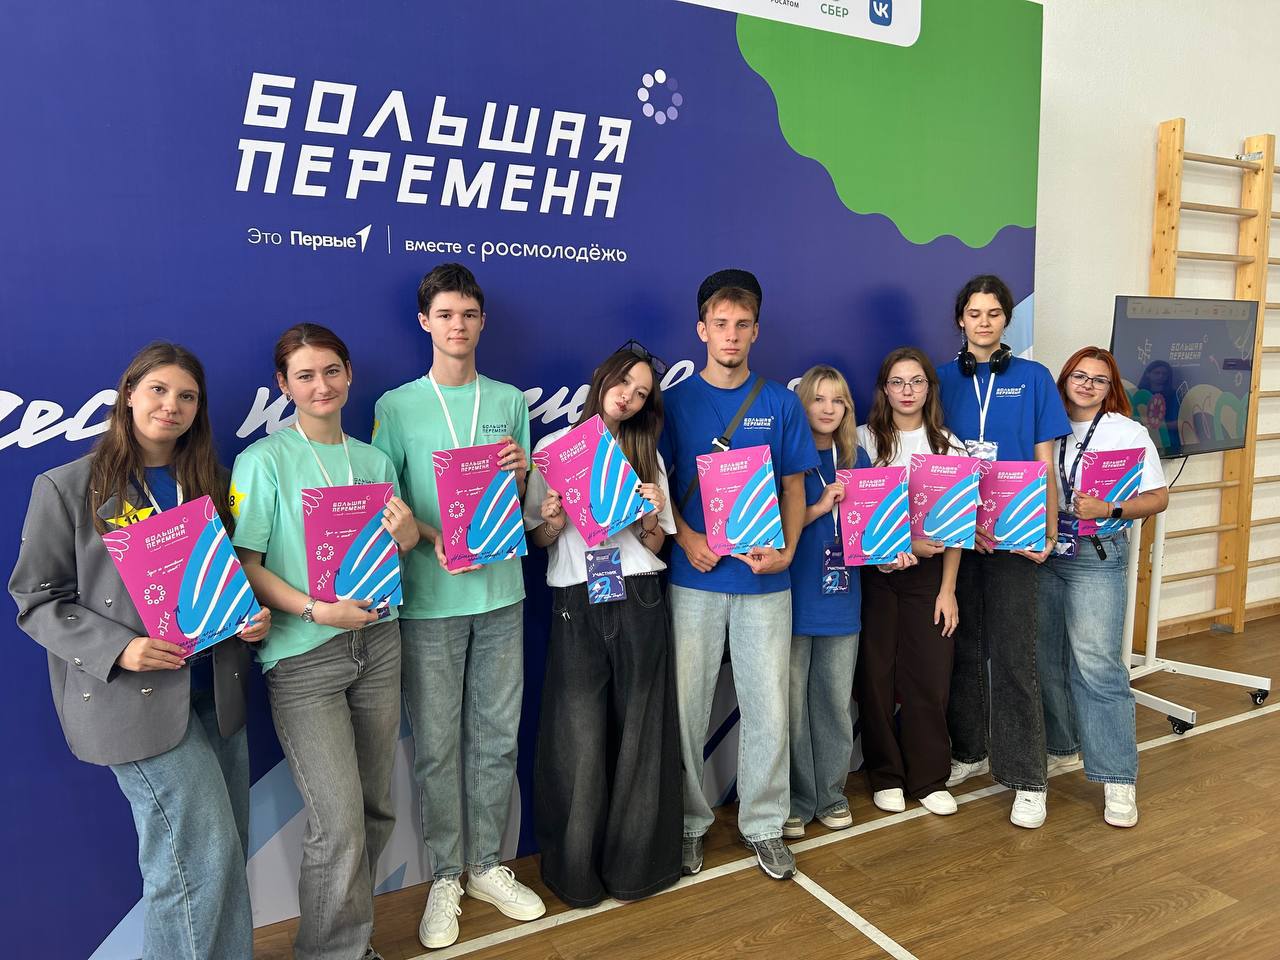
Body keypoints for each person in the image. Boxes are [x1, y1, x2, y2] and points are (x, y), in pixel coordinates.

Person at [10, 342, 270, 960]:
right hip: (134, 698)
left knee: (225, 849)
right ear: (129, 394)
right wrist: (120, 649)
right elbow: (35, 600)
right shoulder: (67, 487)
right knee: (195, 857)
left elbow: (231, 578)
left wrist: (251, 619)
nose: (171, 405)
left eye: (186, 396)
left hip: (215, 691)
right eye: (158, 390)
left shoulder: (213, 484)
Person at [232, 324, 419, 960]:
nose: (322, 386)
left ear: (349, 375)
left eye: (332, 371)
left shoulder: (374, 462)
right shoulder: (263, 461)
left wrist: (406, 539)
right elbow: (247, 564)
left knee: (374, 809)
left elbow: (390, 556)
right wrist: (317, 610)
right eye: (305, 375)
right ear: (283, 385)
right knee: (338, 821)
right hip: (302, 655)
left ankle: (350, 944)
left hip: (378, 643)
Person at [371, 262, 543, 949]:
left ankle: (486, 865)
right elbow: (385, 503)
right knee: (438, 746)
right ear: (425, 322)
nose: (458, 326)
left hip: (502, 592)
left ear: (482, 322)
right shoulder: (396, 406)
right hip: (429, 600)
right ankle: (446, 874)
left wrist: (523, 475)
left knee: (497, 737)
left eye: (468, 314)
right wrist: (431, 537)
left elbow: (525, 500)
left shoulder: (509, 400)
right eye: (445, 314)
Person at [660, 269, 819, 881]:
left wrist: (789, 549)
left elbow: (794, 488)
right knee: (688, 707)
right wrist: (687, 536)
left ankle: (764, 823)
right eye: (720, 324)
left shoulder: (780, 402)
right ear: (701, 330)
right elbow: (654, 485)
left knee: (768, 707)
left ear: (756, 331)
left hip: (765, 582)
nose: (731, 335)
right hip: (695, 578)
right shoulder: (673, 403)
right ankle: (687, 823)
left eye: (742, 325)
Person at [524, 341, 681, 907]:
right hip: (576, 596)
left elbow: (655, 542)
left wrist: (649, 514)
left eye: (641, 394)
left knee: (642, 733)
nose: (628, 397)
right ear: (601, 378)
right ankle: (576, 874)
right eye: (623, 383)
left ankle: (637, 868)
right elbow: (539, 539)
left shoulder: (645, 455)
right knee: (578, 739)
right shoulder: (552, 450)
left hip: (638, 593)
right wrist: (551, 517)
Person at [937, 274, 1069, 829]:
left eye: (993, 313)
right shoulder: (941, 379)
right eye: (975, 313)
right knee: (962, 648)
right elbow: (934, 462)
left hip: (1016, 533)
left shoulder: (1034, 378)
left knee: (1015, 656)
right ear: (960, 319)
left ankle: (1027, 778)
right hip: (959, 535)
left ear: (1006, 320)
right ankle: (970, 751)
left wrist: (1049, 528)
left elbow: (1044, 461)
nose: (984, 322)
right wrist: (952, 524)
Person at [1039, 346, 1167, 827]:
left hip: (1096, 554)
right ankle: (1062, 746)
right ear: (1065, 379)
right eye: (1079, 375)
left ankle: (1117, 778)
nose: (1087, 385)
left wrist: (1110, 509)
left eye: (1099, 379)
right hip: (1043, 552)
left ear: (1110, 388)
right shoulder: (1045, 425)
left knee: (1097, 665)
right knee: (1045, 658)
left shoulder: (1126, 432)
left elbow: (1158, 497)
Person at [784, 364, 891, 840]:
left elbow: (873, 531)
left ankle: (830, 792)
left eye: (838, 400)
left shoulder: (857, 458)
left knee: (832, 701)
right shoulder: (786, 457)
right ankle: (795, 799)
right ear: (803, 404)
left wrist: (889, 553)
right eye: (818, 398)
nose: (828, 409)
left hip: (843, 598)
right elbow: (769, 527)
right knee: (790, 707)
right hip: (791, 598)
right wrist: (818, 508)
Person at [855, 347, 963, 816]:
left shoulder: (948, 445)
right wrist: (893, 550)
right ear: (884, 389)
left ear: (928, 388)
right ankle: (886, 775)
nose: (907, 391)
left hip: (930, 579)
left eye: (916, 381)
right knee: (875, 677)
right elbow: (855, 517)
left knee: (930, 676)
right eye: (897, 382)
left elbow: (958, 527)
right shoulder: (862, 440)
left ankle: (929, 777)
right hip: (875, 576)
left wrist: (948, 590)